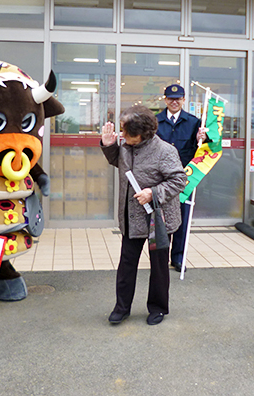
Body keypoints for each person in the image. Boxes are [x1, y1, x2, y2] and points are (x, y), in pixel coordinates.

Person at [101, 105, 187, 326]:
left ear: (141, 133)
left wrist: (154, 193)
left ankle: (158, 308)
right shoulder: (127, 147)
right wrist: (109, 145)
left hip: (158, 220)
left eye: (124, 131)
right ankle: (122, 308)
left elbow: (179, 181)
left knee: (159, 267)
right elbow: (117, 161)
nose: (121, 134)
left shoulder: (165, 151)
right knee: (126, 264)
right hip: (132, 218)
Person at [156, 84, 207, 272]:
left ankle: (177, 258)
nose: (174, 101)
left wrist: (204, 137)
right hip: (160, 179)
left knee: (182, 220)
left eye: (178, 99)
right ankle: (160, 257)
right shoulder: (155, 121)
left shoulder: (194, 123)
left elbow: (202, 150)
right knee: (161, 220)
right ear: (165, 99)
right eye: (170, 98)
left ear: (184, 100)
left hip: (185, 180)